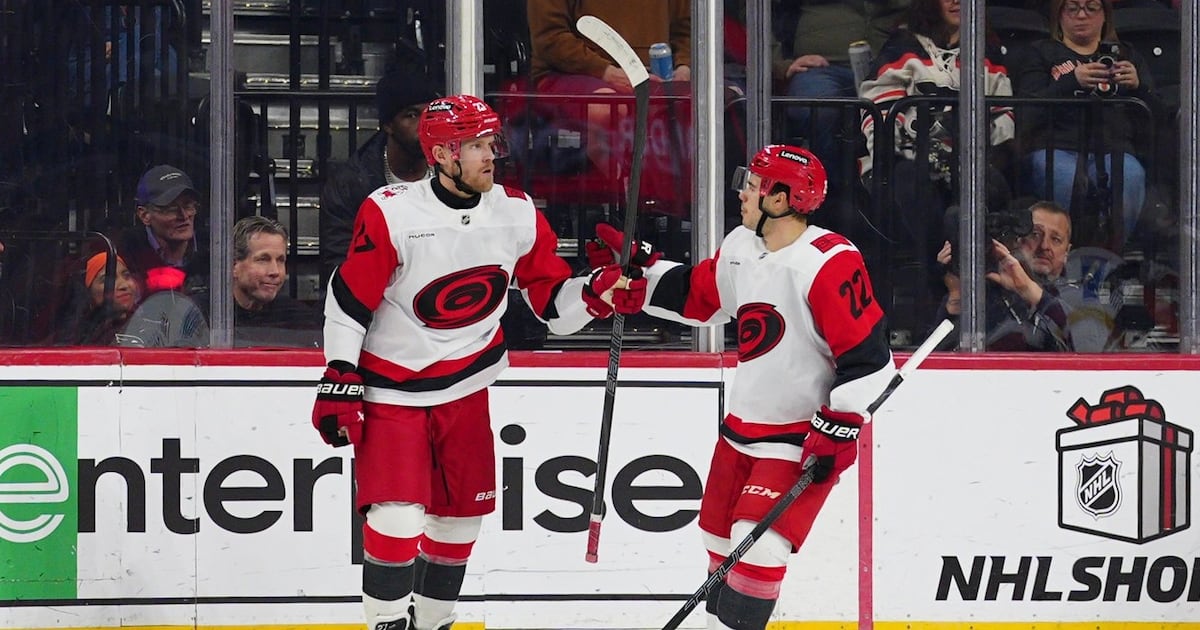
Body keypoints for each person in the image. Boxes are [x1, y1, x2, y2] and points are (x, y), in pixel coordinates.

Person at [309, 94, 636, 630]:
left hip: (466, 387)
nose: (491, 156)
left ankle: (434, 623)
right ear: (441, 155)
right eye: (477, 146)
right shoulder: (390, 211)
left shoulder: (516, 213)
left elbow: (552, 308)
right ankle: (386, 622)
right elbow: (349, 299)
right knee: (397, 518)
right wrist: (340, 372)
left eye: (492, 143)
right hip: (392, 389)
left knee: (459, 523)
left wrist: (596, 293)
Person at [591, 145, 895, 630]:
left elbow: (872, 361)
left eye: (753, 186)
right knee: (718, 549)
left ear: (782, 198)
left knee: (759, 549)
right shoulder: (740, 247)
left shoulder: (828, 262)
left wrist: (840, 424)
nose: (743, 194)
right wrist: (643, 283)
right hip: (738, 433)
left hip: (798, 439)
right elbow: (701, 297)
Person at [1013, 0, 1160, 248]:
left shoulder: (1127, 55)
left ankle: (1112, 256)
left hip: (1114, 148)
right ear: (1059, 15)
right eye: (1072, 8)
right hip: (1054, 147)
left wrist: (1139, 88)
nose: (1082, 15)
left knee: (1131, 175)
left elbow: (1157, 114)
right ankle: (1062, 255)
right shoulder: (1040, 52)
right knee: (1065, 178)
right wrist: (1072, 81)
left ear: (1105, 15)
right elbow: (1028, 110)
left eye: (1091, 8)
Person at [527, 0, 691, 170]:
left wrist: (684, 67)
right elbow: (550, 38)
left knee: (698, 106)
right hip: (568, 73)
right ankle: (620, 183)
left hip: (655, 75)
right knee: (606, 107)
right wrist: (606, 72)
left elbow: (688, 29)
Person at [319, 66, 441, 285]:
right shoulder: (351, 183)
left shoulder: (453, 170)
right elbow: (340, 267)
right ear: (388, 125)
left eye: (430, 114)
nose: (424, 125)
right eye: (412, 115)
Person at [934, 200, 1074, 351]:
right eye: (1035, 234)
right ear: (1018, 239)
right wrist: (956, 294)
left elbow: (1082, 343)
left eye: (1055, 239)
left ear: (1067, 251)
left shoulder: (1076, 296)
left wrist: (1028, 289)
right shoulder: (984, 293)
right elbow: (935, 358)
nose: (1044, 246)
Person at [219, 216, 321, 348]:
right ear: (233, 265)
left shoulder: (300, 320)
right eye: (263, 259)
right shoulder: (204, 316)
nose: (275, 271)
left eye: (280, 260)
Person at [121, 164, 208, 296]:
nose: (184, 216)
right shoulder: (126, 258)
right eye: (171, 208)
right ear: (144, 215)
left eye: (188, 205)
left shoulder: (213, 251)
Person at [55, 251, 142, 345]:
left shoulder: (148, 329)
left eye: (127, 276)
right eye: (108, 280)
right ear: (88, 292)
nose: (124, 285)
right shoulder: (70, 338)